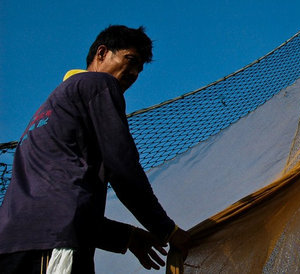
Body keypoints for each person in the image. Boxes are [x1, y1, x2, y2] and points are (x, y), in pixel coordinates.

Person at [0, 25, 190, 273]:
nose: (133, 73)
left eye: (139, 69)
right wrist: (167, 230)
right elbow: (122, 167)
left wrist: (127, 236)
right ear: (102, 53)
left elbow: (57, 203)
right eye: (129, 60)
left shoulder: (48, 111)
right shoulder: (98, 83)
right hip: (55, 243)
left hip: (11, 247)